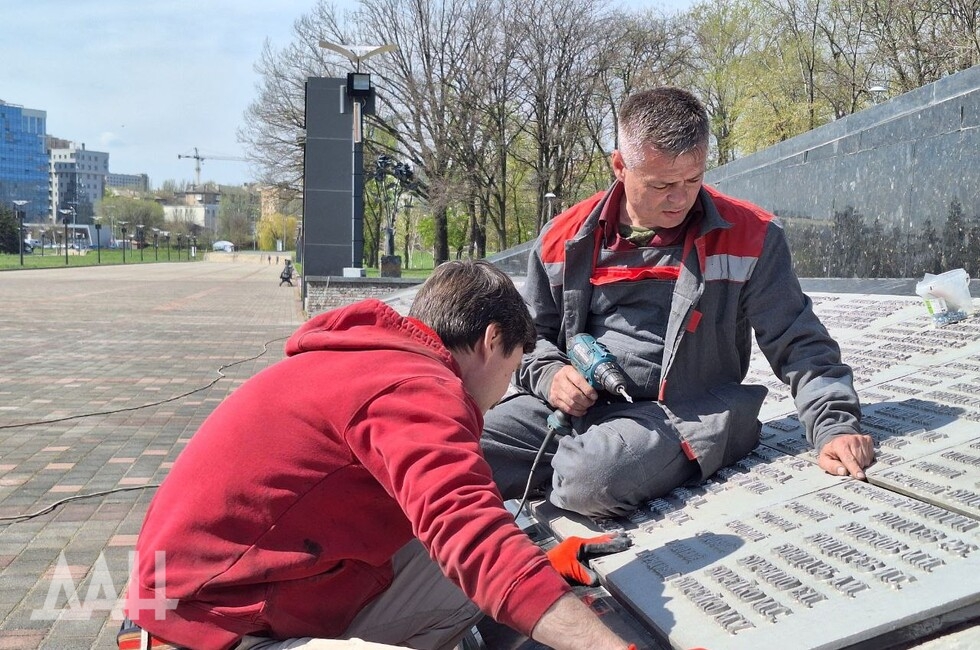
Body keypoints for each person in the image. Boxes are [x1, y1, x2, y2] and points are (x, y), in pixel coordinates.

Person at [123, 260, 633, 650]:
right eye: (513, 366)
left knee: (462, 586)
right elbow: (467, 531)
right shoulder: (418, 388)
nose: (504, 392)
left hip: (200, 592)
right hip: (203, 627)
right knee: (474, 577)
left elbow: (448, 527)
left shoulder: (369, 358)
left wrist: (538, 567)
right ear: (490, 340)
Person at [481, 86, 874, 519]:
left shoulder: (751, 235)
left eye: (693, 180)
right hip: (574, 410)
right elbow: (527, 339)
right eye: (661, 184)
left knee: (589, 481)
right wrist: (553, 375)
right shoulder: (563, 238)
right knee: (461, 447)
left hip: (682, 414)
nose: (680, 199)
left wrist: (834, 426)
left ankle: (584, 465)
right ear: (619, 167)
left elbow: (799, 341)